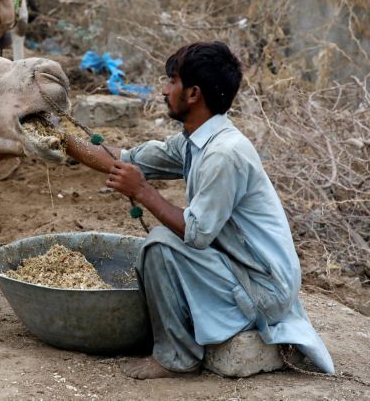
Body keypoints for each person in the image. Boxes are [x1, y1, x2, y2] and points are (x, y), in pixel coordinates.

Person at [66, 41, 334, 379]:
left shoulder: (224, 153)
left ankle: (176, 358)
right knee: (162, 245)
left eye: (171, 81)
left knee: (160, 246)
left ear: (193, 94)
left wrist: (143, 191)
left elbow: (196, 233)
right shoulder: (196, 140)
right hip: (240, 272)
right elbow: (124, 159)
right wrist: (61, 141)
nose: (163, 90)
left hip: (264, 290)